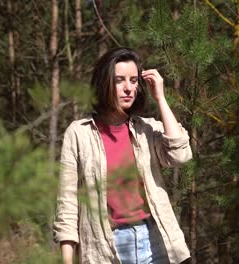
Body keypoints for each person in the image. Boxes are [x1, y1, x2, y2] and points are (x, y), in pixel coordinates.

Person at [53, 47, 193, 264]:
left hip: (154, 241)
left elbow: (180, 154)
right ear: (104, 83)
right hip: (106, 247)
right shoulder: (79, 133)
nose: (128, 88)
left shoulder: (145, 129)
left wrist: (161, 98)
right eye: (120, 80)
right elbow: (67, 203)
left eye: (134, 80)